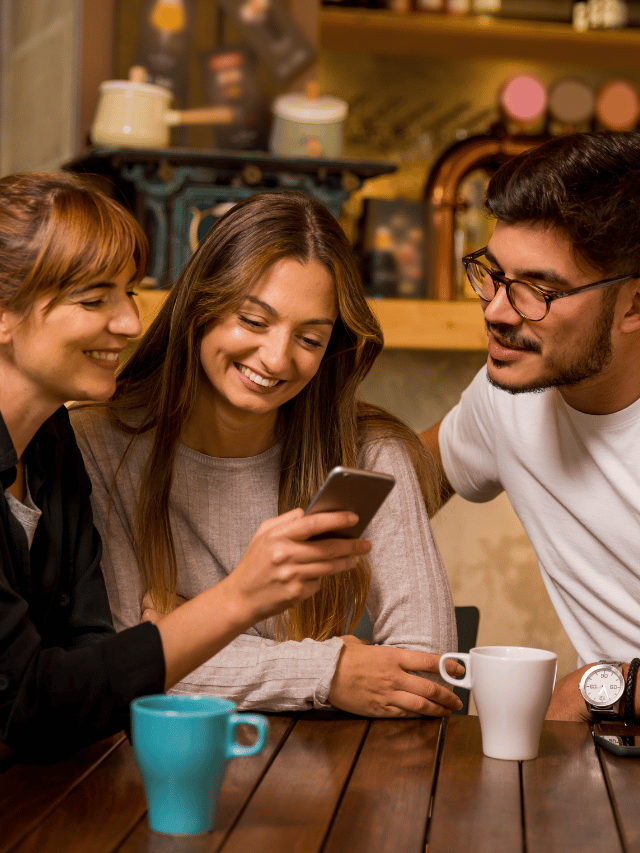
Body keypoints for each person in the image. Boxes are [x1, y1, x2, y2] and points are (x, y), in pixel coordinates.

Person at [0, 172, 372, 761]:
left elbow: (92, 670)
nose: (127, 322)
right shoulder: (90, 439)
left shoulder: (51, 443)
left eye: (129, 294)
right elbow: (27, 705)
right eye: (95, 300)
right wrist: (240, 598)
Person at [71, 190, 462, 719]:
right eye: (253, 322)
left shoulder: (369, 451)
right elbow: (118, 668)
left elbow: (426, 673)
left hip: (331, 777)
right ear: (200, 307)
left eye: (310, 338)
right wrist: (331, 670)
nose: (276, 359)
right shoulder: (100, 440)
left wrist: (183, 632)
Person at [420, 131, 640, 724]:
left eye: (539, 290)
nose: (495, 310)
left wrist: (606, 687)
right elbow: (405, 477)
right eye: (493, 274)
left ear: (634, 305)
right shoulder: (508, 395)